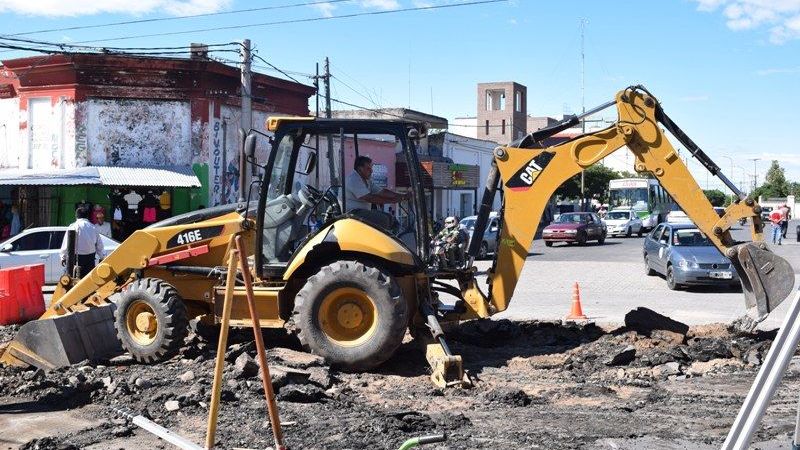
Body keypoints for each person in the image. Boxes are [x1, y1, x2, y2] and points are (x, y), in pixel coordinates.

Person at [345, 156, 408, 229]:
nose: (371, 171)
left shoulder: (366, 180)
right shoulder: (353, 179)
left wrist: (401, 196)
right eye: (368, 168)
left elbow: (382, 192)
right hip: (353, 213)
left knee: (392, 219)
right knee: (384, 220)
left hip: (363, 211)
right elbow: (369, 198)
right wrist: (392, 200)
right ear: (360, 169)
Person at [60, 206, 104, 278]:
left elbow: (66, 244)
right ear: (87, 216)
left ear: (76, 216)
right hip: (90, 259)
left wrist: (63, 257)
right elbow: (99, 244)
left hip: (76, 259)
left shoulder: (73, 226)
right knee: (89, 280)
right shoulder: (93, 227)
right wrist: (102, 257)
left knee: (75, 281)